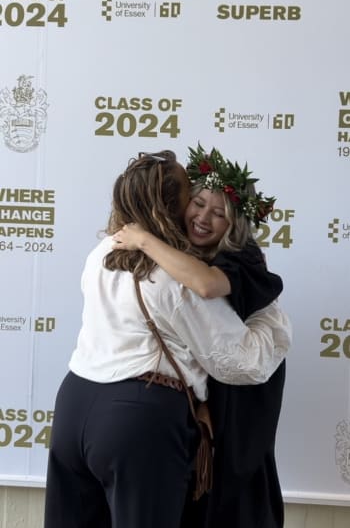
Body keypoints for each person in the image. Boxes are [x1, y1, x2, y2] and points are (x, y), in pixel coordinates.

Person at [44, 150, 291, 528]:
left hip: (72, 407)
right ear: (171, 207)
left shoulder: (104, 250)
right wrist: (272, 325)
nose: (200, 213)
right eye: (191, 197)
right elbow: (242, 361)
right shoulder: (177, 279)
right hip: (135, 419)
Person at [113, 144, 288, 528]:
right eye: (198, 203)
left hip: (242, 393)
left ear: (235, 224)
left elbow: (207, 286)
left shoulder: (242, 257)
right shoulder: (182, 250)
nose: (203, 217)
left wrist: (142, 239)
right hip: (204, 386)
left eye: (219, 213)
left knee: (232, 482)